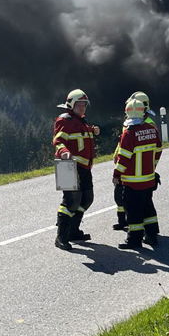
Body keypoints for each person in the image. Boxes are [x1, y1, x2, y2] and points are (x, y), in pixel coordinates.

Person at [52, 89, 100, 251]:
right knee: (70, 202)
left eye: (84, 104)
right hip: (65, 165)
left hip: (84, 167)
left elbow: (82, 139)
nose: (82, 107)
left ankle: (73, 230)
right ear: (71, 104)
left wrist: (92, 131)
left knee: (87, 198)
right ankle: (61, 237)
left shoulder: (81, 121)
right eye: (79, 104)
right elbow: (58, 141)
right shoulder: (64, 120)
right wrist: (64, 152)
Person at [113, 97, 162, 249]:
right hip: (148, 179)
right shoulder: (152, 129)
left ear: (127, 113)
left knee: (133, 211)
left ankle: (134, 240)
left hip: (132, 182)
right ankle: (152, 236)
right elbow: (158, 151)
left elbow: (124, 158)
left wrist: (116, 175)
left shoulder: (129, 133)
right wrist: (152, 168)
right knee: (148, 208)